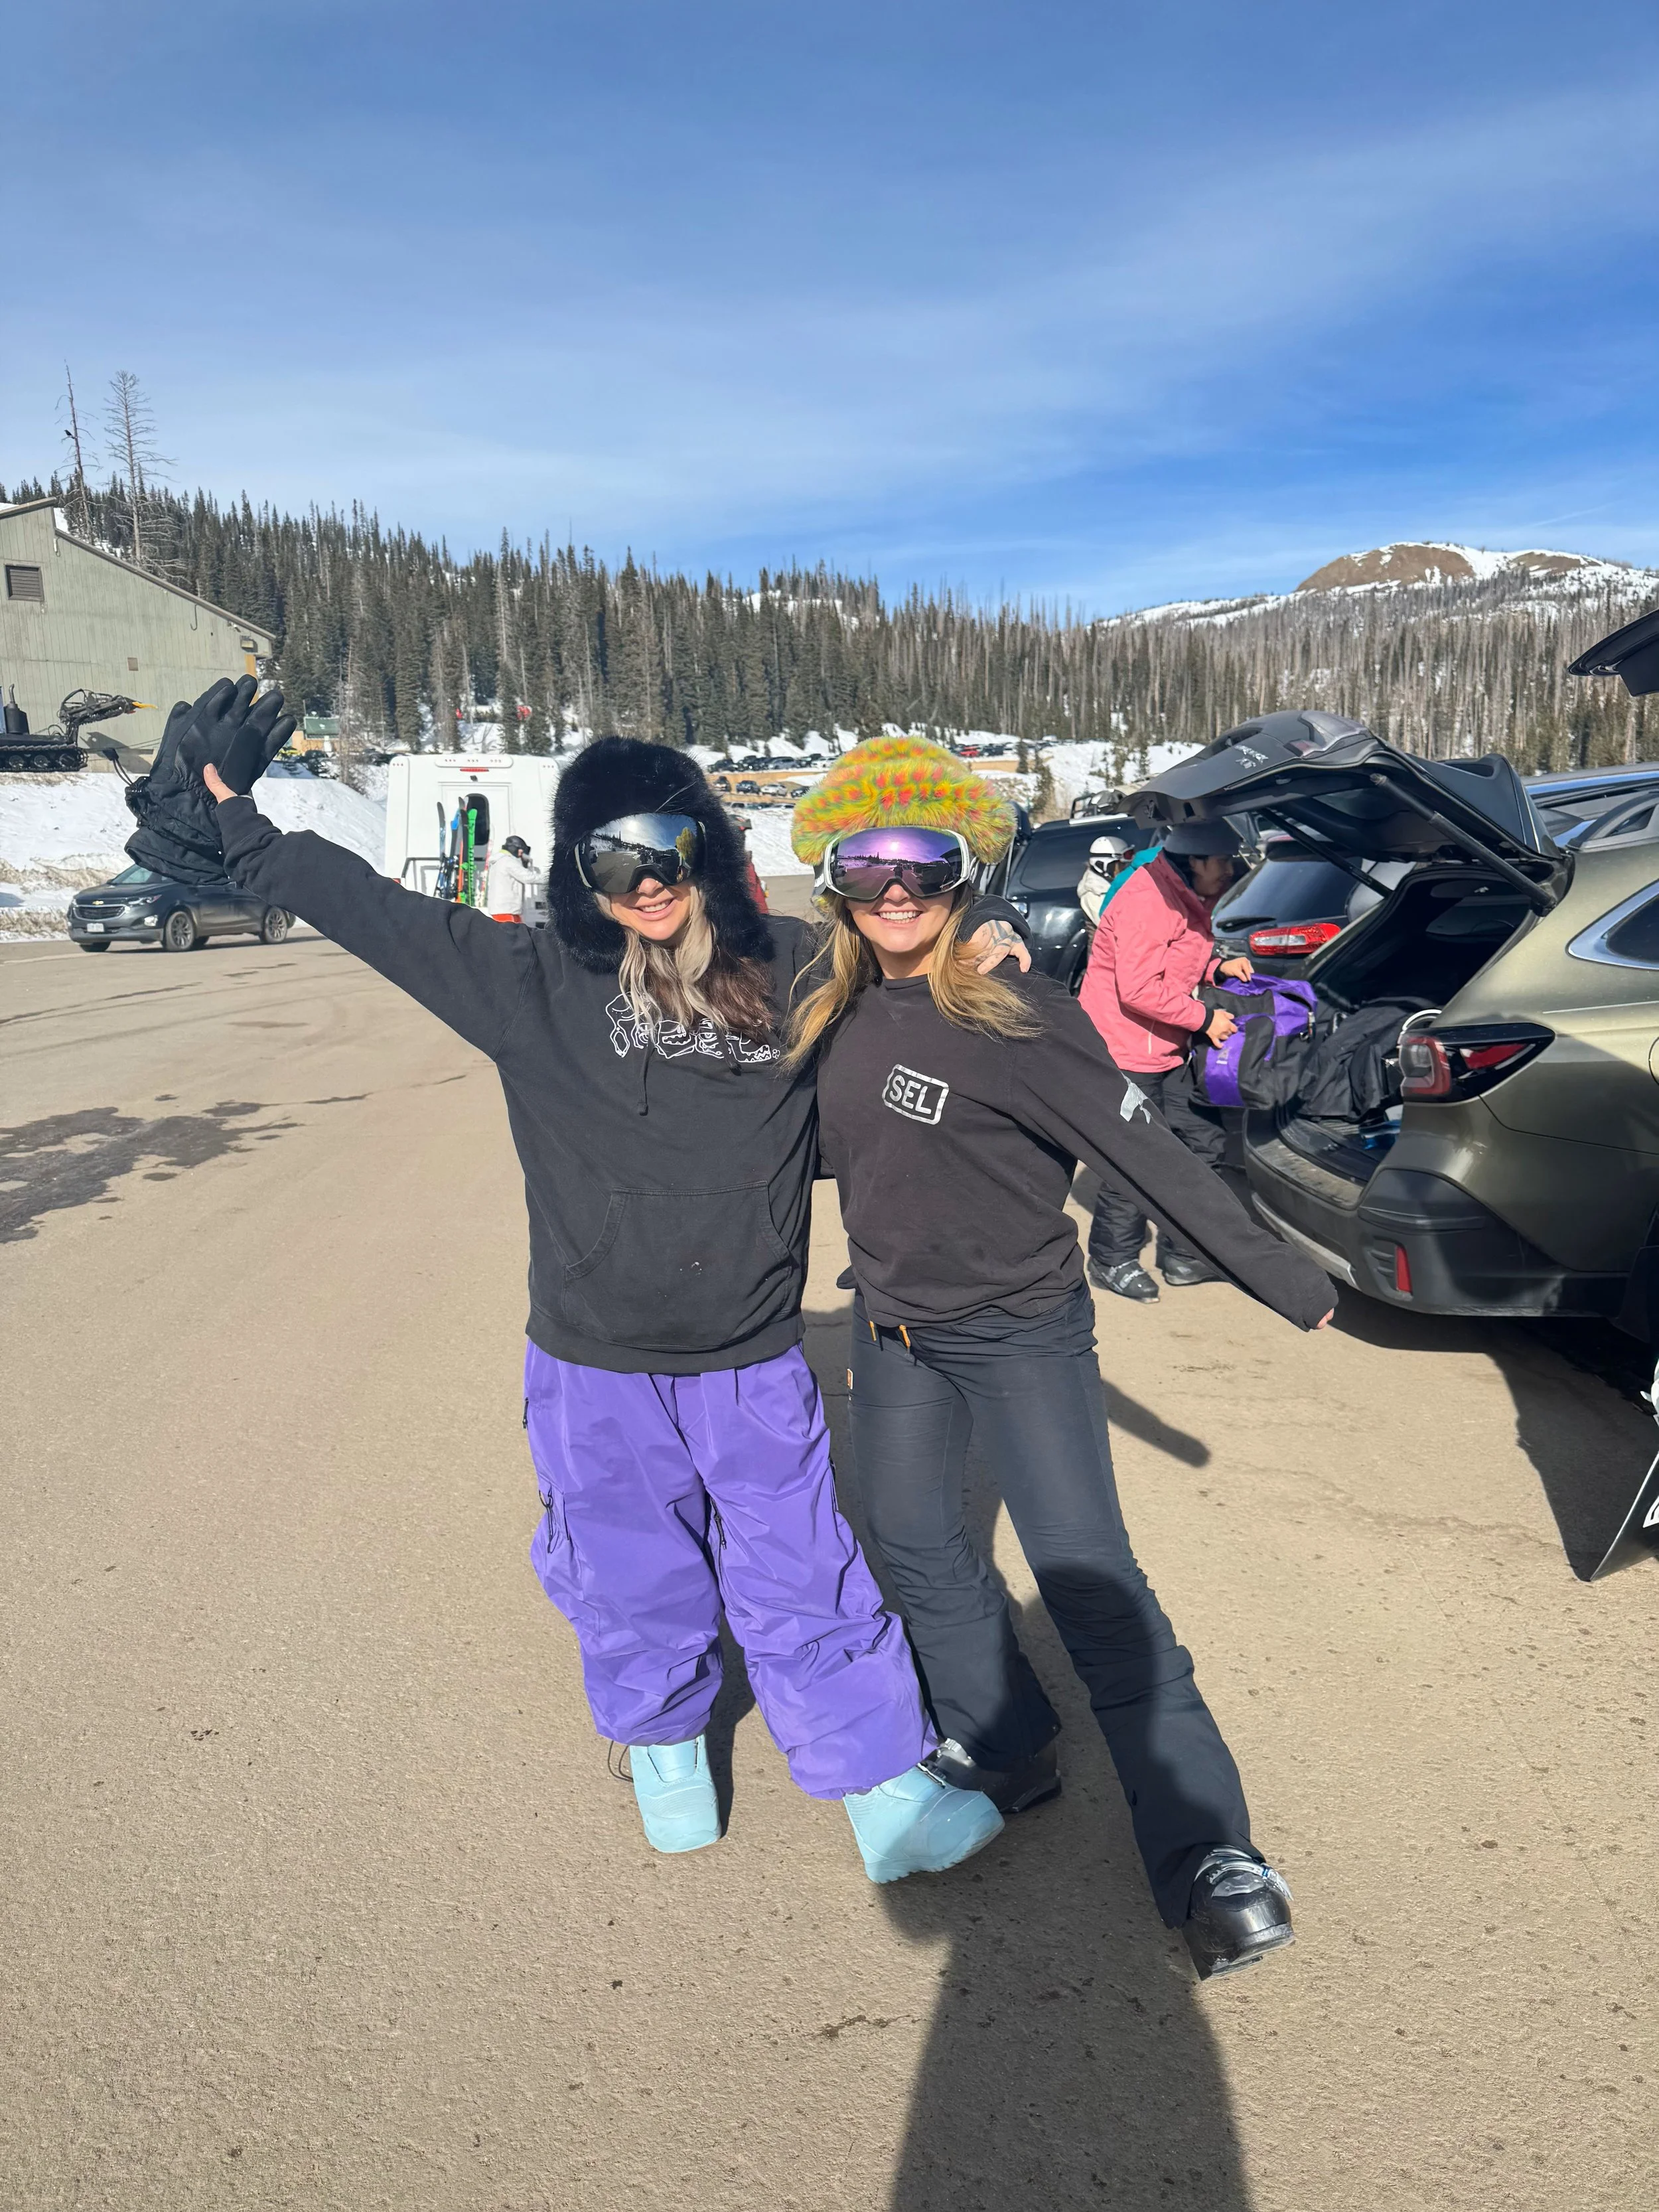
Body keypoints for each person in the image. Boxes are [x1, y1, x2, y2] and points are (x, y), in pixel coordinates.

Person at [141, 678, 1029, 1885]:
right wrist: (234, 819)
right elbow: (364, 906)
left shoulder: (792, 963)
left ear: (707, 847)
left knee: (801, 1562)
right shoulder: (525, 980)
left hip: (750, 1353)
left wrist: (980, 941)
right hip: (592, 1360)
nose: (646, 878)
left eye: (668, 844)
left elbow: (906, 945)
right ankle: (667, 1758)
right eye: (611, 856)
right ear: (579, 870)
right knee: (624, 1564)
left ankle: (881, 1788)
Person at [786, 739, 1334, 1976]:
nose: (894, 893)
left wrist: (1290, 1280)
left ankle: (1209, 1852)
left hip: (1023, 1328)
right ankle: (1004, 1739)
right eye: (863, 870)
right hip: (896, 1330)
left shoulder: (1021, 1017)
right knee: (921, 1547)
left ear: (963, 872)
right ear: (832, 884)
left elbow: (1151, 1157)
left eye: (922, 867)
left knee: (1088, 1575)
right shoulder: (832, 1008)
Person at [1078, 819, 1253, 1301]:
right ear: (1195, 861)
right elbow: (1138, 988)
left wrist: (1216, 966)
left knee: (1201, 1142)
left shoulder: (1182, 891)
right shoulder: (1148, 899)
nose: (1231, 870)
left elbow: (1173, 959)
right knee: (1136, 1156)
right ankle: (1112, 1260)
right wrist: (1205, 1018)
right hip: (1127, 1048)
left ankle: (1185, 1253)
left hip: (1167, 1044)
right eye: (1224, 861)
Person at [484, 832, 547, 925]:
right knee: (510, 938)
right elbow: (527, 877)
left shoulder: (499, 861)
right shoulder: (508, 861)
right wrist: (549, 878)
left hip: (504, 910)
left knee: (517, 936)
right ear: (514, 848)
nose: (521, 854)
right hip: (506, 910)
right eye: (520, 851)